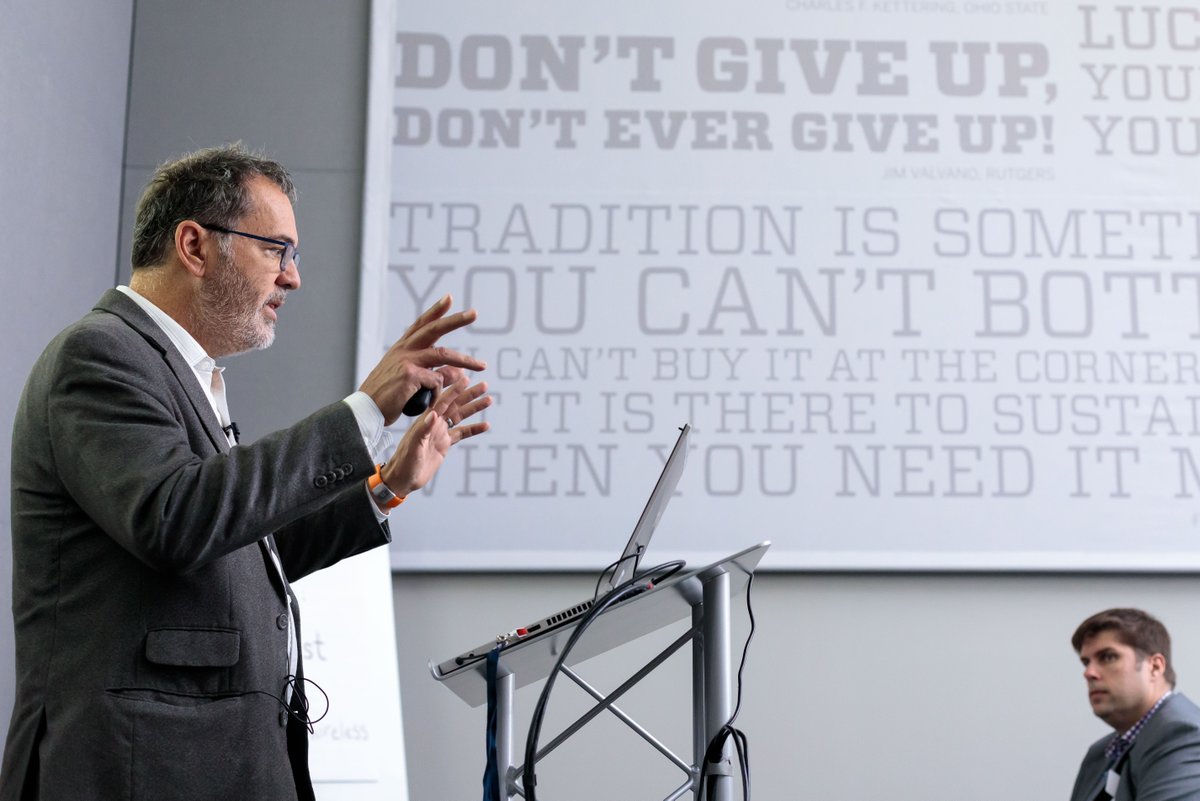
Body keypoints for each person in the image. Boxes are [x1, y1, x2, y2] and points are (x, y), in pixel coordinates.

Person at [0, 144, 491, 801]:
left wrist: (385, 485)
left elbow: (244, 546)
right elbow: (173, 519)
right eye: (277, 249)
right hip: (138, 767)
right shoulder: (100, 356)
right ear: (195, 245)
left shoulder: (182, 374)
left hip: (212, 761)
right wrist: (366, 408)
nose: (293, 278)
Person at [1068, 608, 1200, 801]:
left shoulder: (1186, 737)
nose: (1089, 673)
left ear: (1155, 667)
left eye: (1108, 657)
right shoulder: (1100, 752)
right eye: (1086, 662)